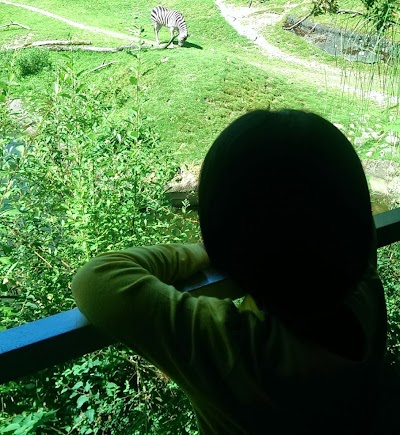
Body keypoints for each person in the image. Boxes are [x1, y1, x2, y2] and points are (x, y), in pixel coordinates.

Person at [72, 110, 387, 434]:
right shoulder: (367, 295)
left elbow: (96, 278)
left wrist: (203, 252)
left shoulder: (235, 351)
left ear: (226, 247)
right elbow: (350, 227)